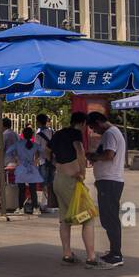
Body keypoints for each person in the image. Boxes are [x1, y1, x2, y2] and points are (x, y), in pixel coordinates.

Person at [50, 112, 98, 267]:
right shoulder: (76, 133)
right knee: (88, 217)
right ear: (83, 123)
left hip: (58, 180)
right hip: (72, 181)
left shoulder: (58, 133)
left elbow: (46, 150)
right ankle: (91, 257)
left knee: (64, 219)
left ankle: (67, 253)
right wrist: (82, 172)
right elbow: (79, 151)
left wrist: (56, 164)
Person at [87, 111, 127, 268]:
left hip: (110, 180)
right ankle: (113, 251)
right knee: (108, 217)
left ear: (99, 122)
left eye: (93, 127)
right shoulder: (113, 132)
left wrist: (94, 156)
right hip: (108, 180)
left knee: (110, 218)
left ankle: (116, 254)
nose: (94, 131)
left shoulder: (110, 134)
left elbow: (109, 155)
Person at [8, 126, 44, 214]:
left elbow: (8, 151)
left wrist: (16, 159)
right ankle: (35, 208)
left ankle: (20, 208)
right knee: (32, 189)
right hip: (31, 167)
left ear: (23, 134)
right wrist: (37, 160)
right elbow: (43, 152)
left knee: (21, 189)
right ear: (32, 135)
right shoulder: (35, 145)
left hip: (21, 167)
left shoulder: (18, 144)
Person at [35, 113, 56, 213]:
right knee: (51, 182)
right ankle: (52, 204)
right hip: (52, 161)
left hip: (43, 161)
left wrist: (35, 161)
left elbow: (36, 149)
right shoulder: (52, 131)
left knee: (44, 183)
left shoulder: (38, 135)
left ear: (38, 122)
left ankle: (45, 204)